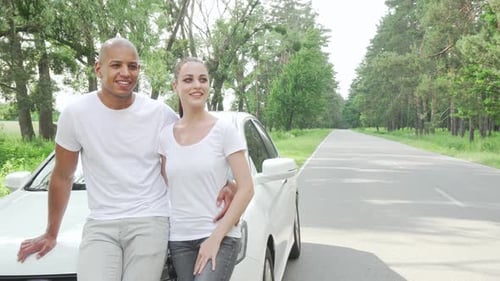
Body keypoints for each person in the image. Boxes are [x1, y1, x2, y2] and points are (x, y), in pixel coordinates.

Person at [17, 38, 234, 281]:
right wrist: (51, 233)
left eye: (132, 66)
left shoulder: (159, 114)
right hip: (101, 222)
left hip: (150, 220)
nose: (125, 73)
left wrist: (229, 180)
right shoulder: (75, 114)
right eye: (116, 65)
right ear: (98, 69)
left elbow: (198, 145)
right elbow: (62, 175)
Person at [158, 57, 254, 281]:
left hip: (219, 235)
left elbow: (247, 187)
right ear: (176, 86)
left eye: (203, 80)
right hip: (180, 239)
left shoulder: (224, 130)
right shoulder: (165, 137)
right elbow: (167, 186)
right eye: (188, 80)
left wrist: (215, 238)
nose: (197, 85)